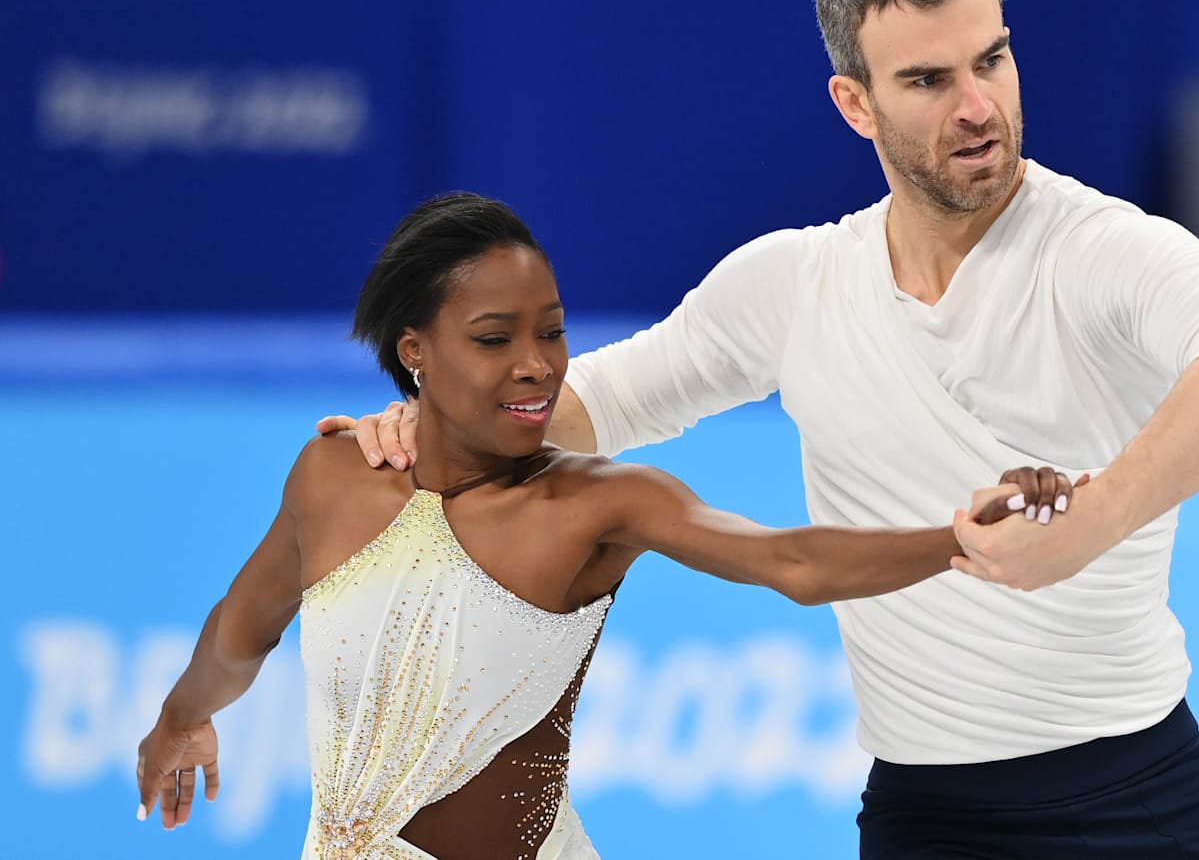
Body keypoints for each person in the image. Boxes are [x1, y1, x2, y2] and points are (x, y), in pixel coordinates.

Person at [329, 0, 1199, 857]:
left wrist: (1098, 518)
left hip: (1133, 794)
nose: (977, 106)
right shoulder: (795, 283)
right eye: (928, 79)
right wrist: (441, 432)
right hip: (924, 814)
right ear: (856, 103)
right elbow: (597, 403)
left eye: (992, 61)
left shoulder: (1099, 251)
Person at [136, 192, 1066, 859]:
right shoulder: (334, 474)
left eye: (553, 331)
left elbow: (791, 560)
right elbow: (244, 627)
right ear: (415, 352)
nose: (539, 366)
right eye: (496, 339)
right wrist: (181, 719)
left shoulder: (594, 504)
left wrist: (958, 537)